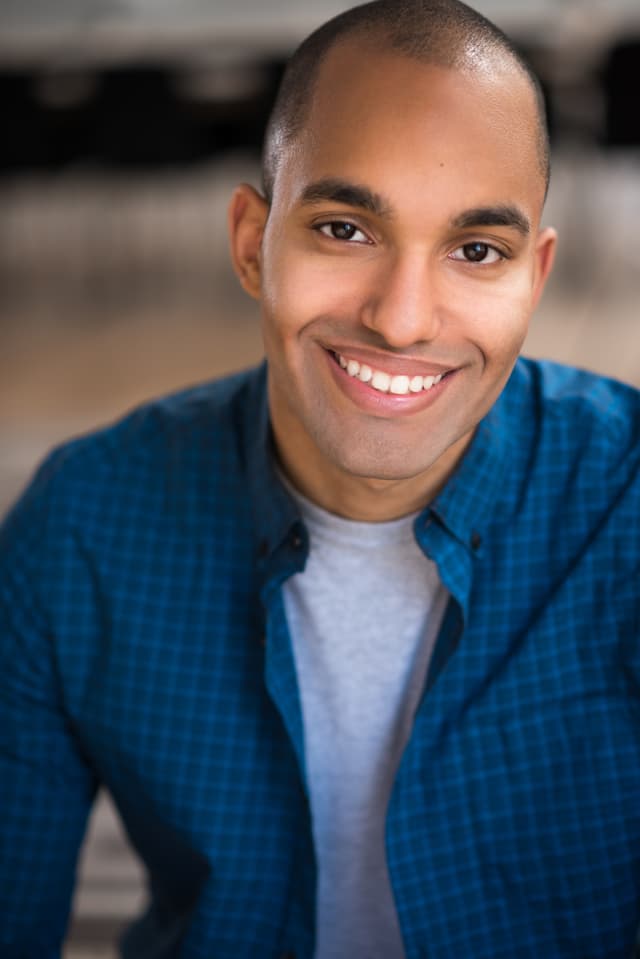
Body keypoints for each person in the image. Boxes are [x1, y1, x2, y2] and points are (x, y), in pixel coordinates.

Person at [1, 0, 639, 956]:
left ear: (534, 277)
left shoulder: (626, 506)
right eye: (346, 229)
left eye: (476, 251)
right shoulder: (81, 529)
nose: (403, 318)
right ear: (253, 243)